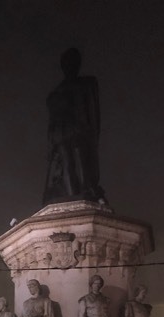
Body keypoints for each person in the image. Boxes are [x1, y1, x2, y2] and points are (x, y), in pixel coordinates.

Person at [43, 47, 106, 205]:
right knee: (68, 164)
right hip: (63, 133)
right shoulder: (56, 92)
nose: (70, 66)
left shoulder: (86, 83)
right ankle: (73, 194)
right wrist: (51, 143)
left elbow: (91, 110)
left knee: (81, 163)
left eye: (73, 62)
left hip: (79, 130)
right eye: (67, 63)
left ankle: (85, 191)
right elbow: (52, 121)